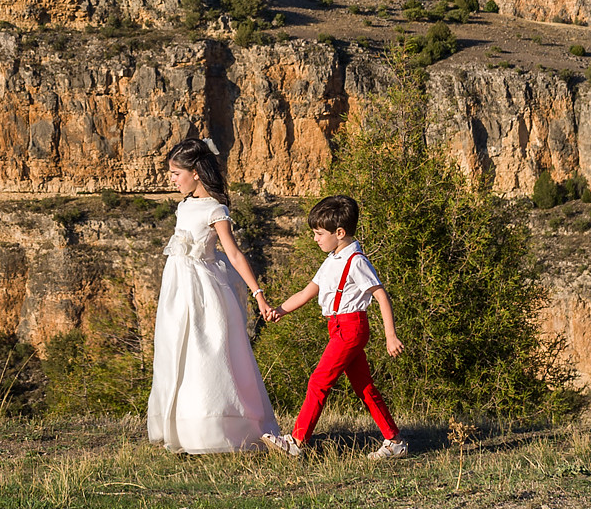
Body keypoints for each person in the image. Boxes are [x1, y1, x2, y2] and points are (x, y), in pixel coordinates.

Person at [146, 137, 283, 454]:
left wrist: (258, 294)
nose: (172, 179)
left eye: (176, 173)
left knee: (207, 354)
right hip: (177, 291)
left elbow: (234, 255)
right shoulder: (184, 206)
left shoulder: (215, 209)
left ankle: (216, 429)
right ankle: (181, 429)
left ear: (195, 172)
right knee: (176, 353)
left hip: (203, 292)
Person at [260, 193, 409, 460]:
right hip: (337, 327)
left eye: (319, 233)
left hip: (351, 328)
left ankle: (297, 440)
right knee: (364, 387)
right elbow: (306, 293)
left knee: (319, 380)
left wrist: (390, 335)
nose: (315, 238)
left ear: (339, 232)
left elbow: (380, 295)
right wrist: (279, 310)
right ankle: (394, 440)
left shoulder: (357, 261)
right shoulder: (331, 261)